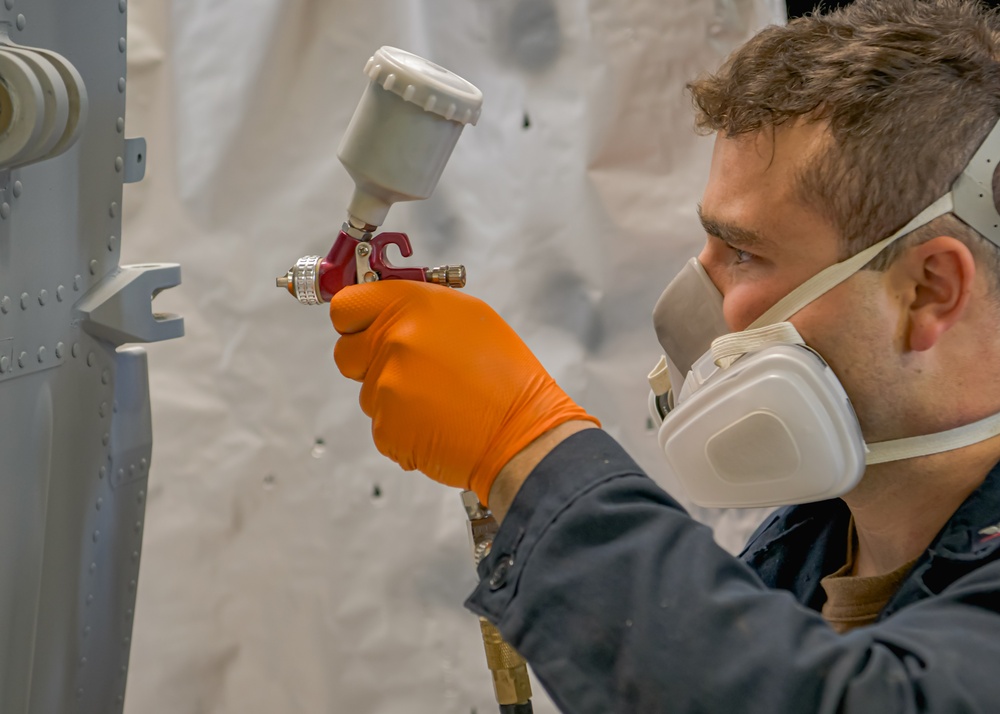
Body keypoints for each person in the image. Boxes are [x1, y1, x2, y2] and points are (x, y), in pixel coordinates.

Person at [329, 0, 1000, 710]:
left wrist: (523, 448)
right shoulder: (805, 552)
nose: (692, 303)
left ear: (929, 289)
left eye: (745, 252)